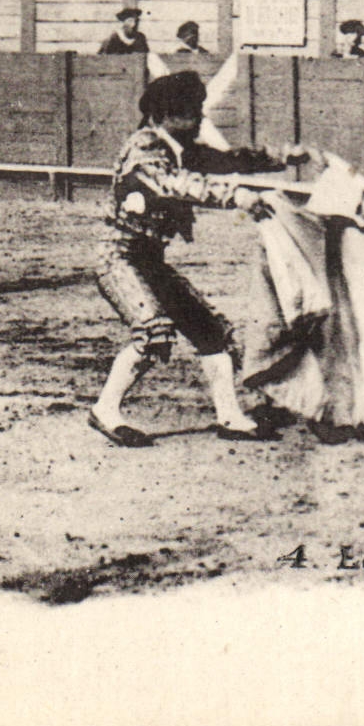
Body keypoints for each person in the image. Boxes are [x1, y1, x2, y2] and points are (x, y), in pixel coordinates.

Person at [91, 71, 307, 447]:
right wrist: (235, 197)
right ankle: (105, 411)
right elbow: (176, 185)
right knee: (153, 332)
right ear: (164, 115)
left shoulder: (177, 147)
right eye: (191, 112)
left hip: (149, 260)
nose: (200, 120)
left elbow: (229, 160)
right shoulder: (144, 149)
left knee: (211, 333)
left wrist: (284, 157)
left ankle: (230, 416)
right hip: (119, 257)